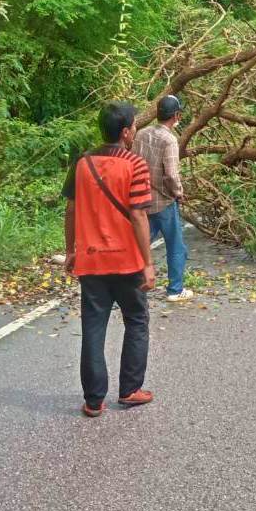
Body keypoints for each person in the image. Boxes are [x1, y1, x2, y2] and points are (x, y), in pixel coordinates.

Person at [63, 101, 156, 417]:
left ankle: (93, 400)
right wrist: (149, 262)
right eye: (134, 127)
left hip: (91, 263)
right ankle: (130, 390)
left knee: (93, 328)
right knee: (137, 321)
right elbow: (139, 214)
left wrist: (71, 250)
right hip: (128, 262)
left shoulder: (82, 163)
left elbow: (71, 209)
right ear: (127, 131)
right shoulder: (135, 164)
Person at [134, 94, 192, 301]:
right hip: (163, 202)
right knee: (176, 246)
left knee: (139, 244)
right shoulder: (169, 140)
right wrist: (179, 193)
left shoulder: (141, 133)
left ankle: (131, 286)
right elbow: (171, 175)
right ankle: (175, 290)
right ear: (176, 115)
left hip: (140, 201)